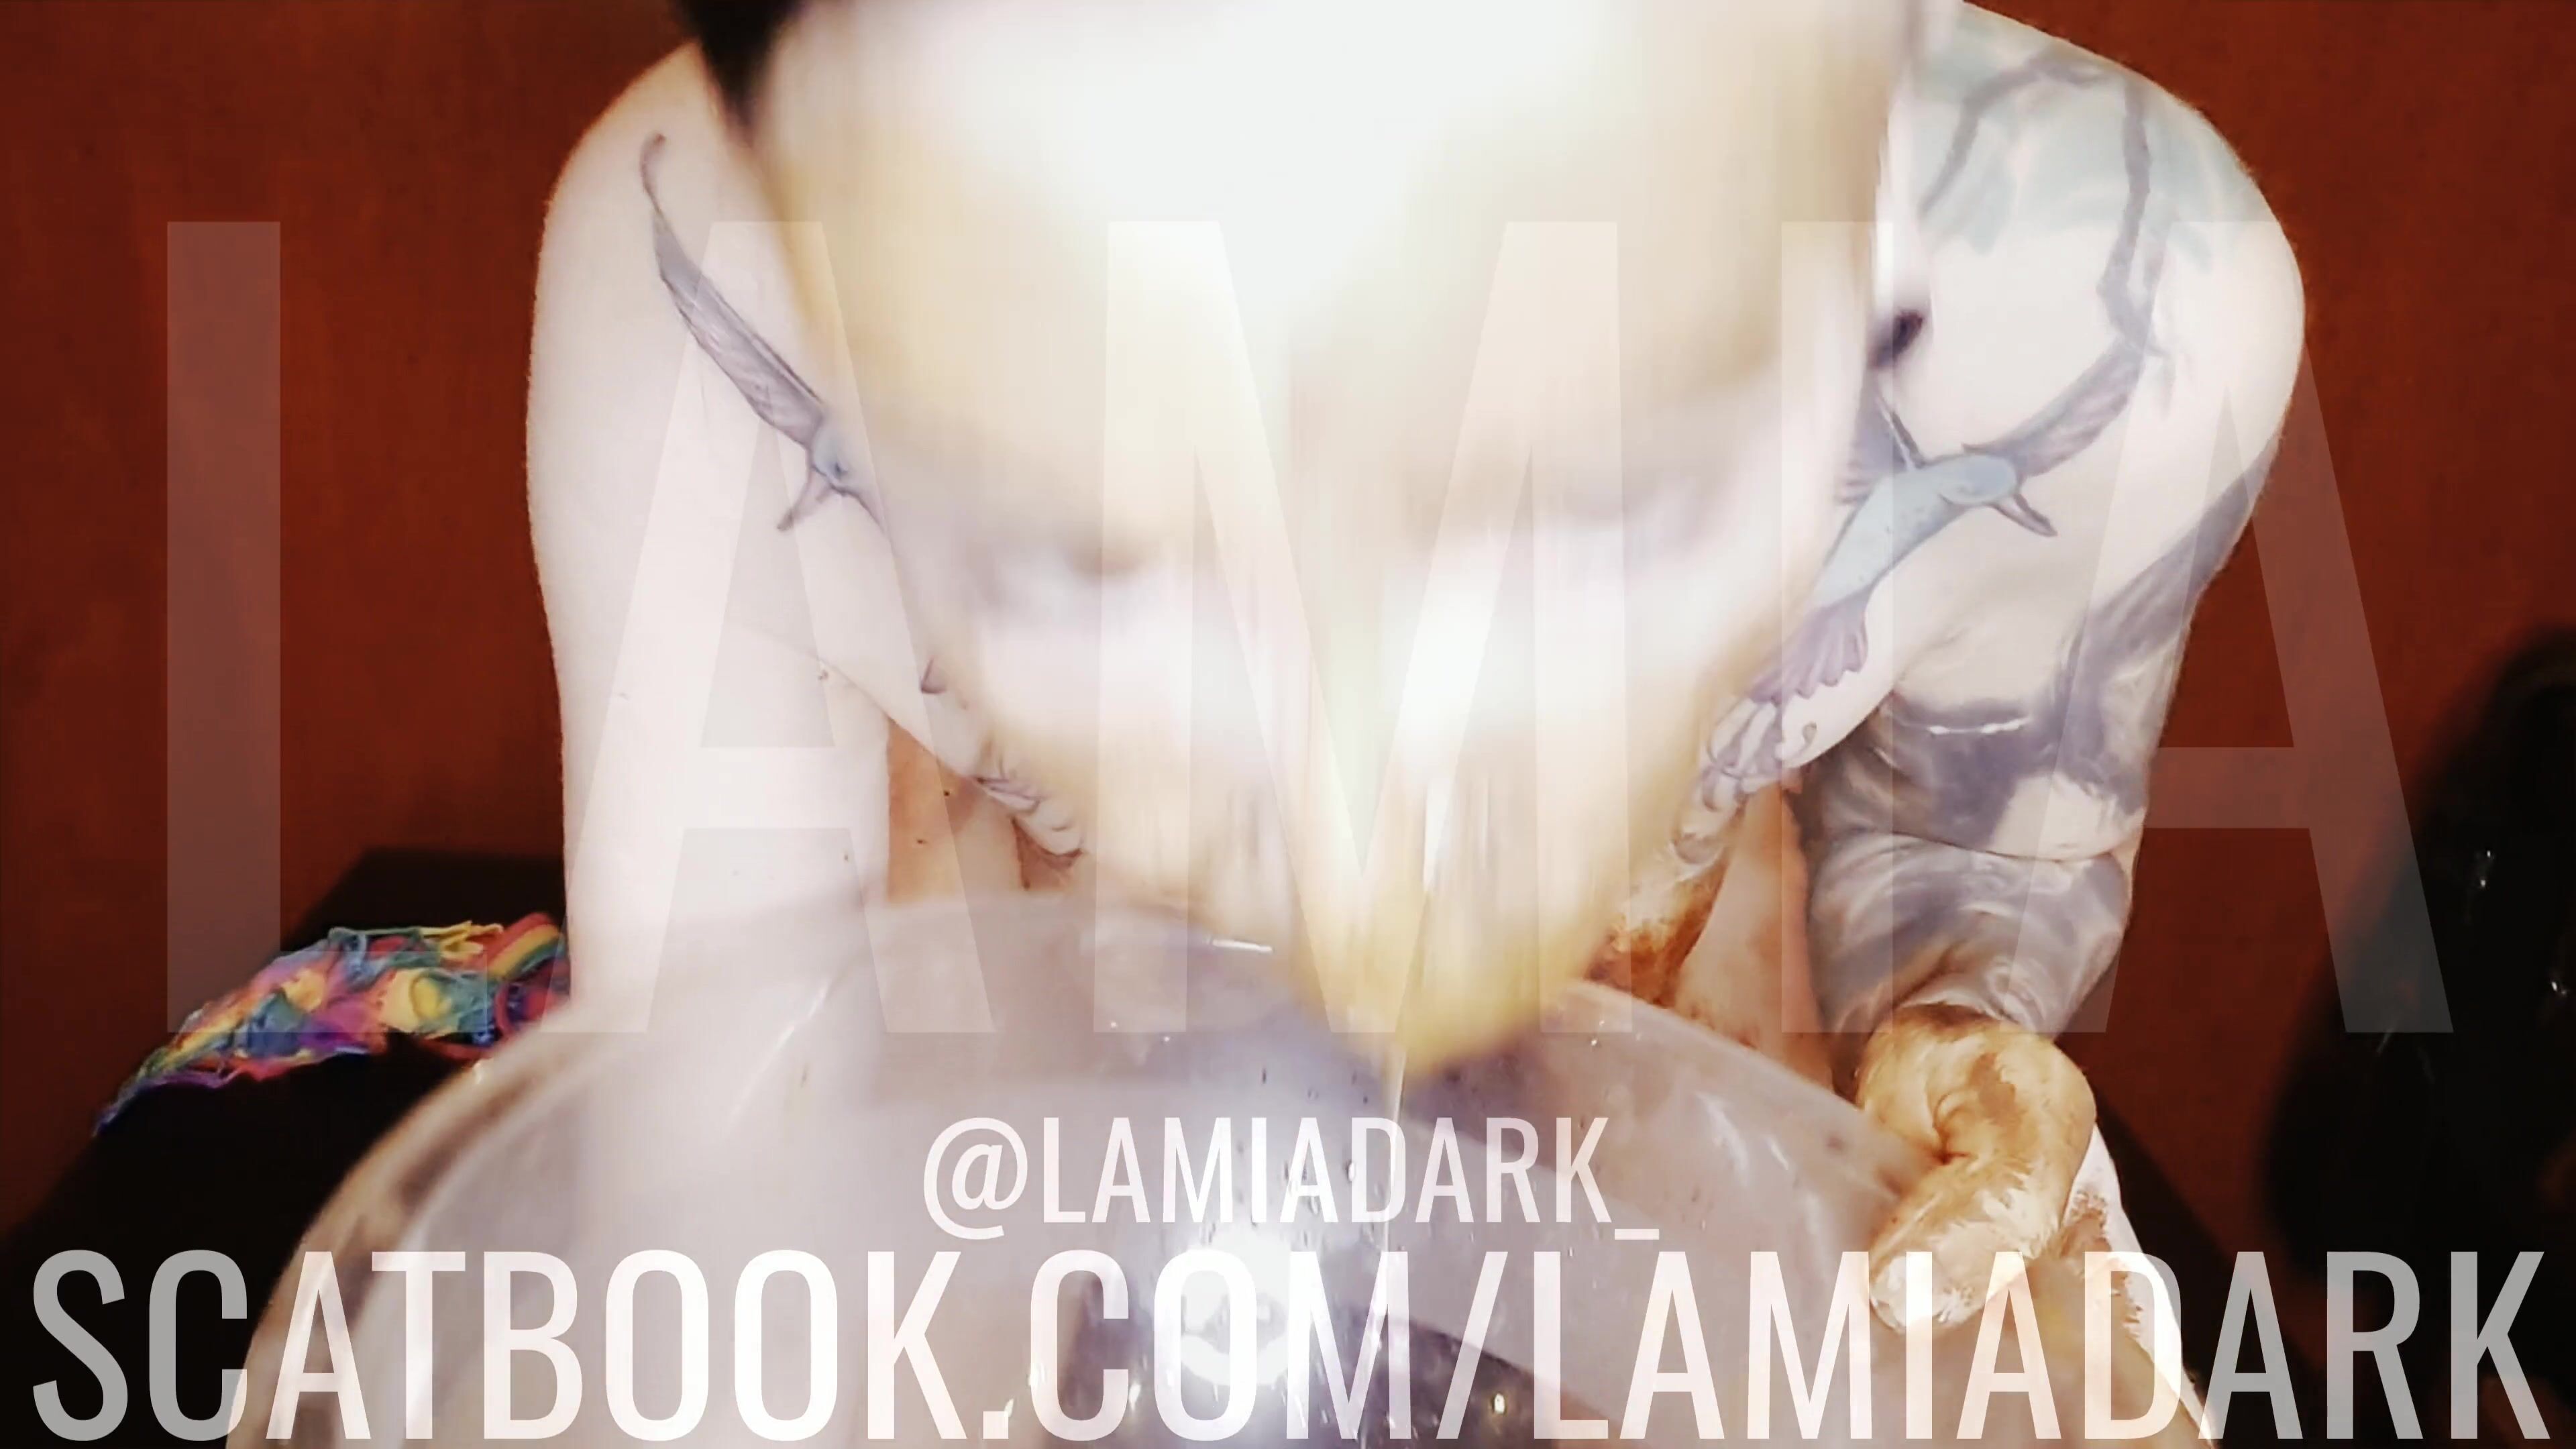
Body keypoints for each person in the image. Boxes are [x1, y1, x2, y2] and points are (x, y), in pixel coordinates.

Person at [527, 0, 2300, 1360]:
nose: (1360, 851)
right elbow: (710, 1219)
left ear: (1874, 250)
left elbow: (1962, 854)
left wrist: (1953, 1017)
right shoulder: (704, 300)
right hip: (1016, 1115)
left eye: (1600, 499)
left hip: (1694, 1110)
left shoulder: (2112, 326)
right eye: (1091, 547)